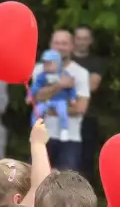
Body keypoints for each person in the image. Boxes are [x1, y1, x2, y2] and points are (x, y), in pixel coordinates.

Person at [29, 31, 90, 171]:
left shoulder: (80, 73)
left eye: (64, 43)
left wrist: (48, 106)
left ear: (72, 46)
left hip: (70, 139)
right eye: (57, 43)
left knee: (66, 188)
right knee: (36, 184)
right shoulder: (39, 69)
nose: (60, 47)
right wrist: (60, 85)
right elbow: (36, 98)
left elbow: (80, 108)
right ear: (50, 45)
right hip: (41, 137)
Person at [71, 25, 105, 180]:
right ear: (73, 39)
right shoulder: (64, 60)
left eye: (85, 38)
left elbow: (93, 85)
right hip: (64, 116)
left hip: (88, 117)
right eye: (79, 38)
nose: (81, 42)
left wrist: (68, 83)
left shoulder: (96, 62)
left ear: (90, 41)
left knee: (86, 158)